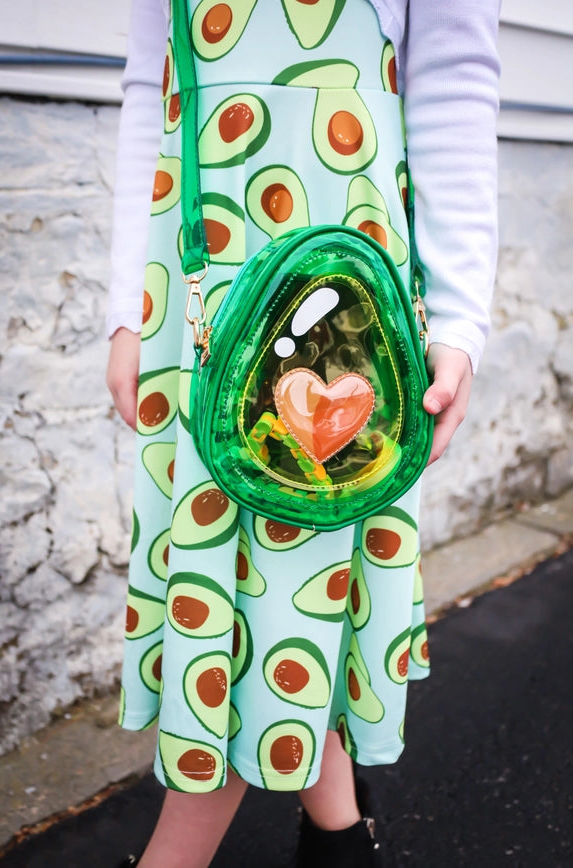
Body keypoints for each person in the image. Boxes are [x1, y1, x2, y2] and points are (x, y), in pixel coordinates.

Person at [106, 1, 501, 866]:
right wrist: (126, 313)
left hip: (341, 265)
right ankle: (338, 836)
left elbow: (453, 79)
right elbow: (155, 77)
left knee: (289, 576)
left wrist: (459, 320)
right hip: (195, 271)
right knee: (259, 575)